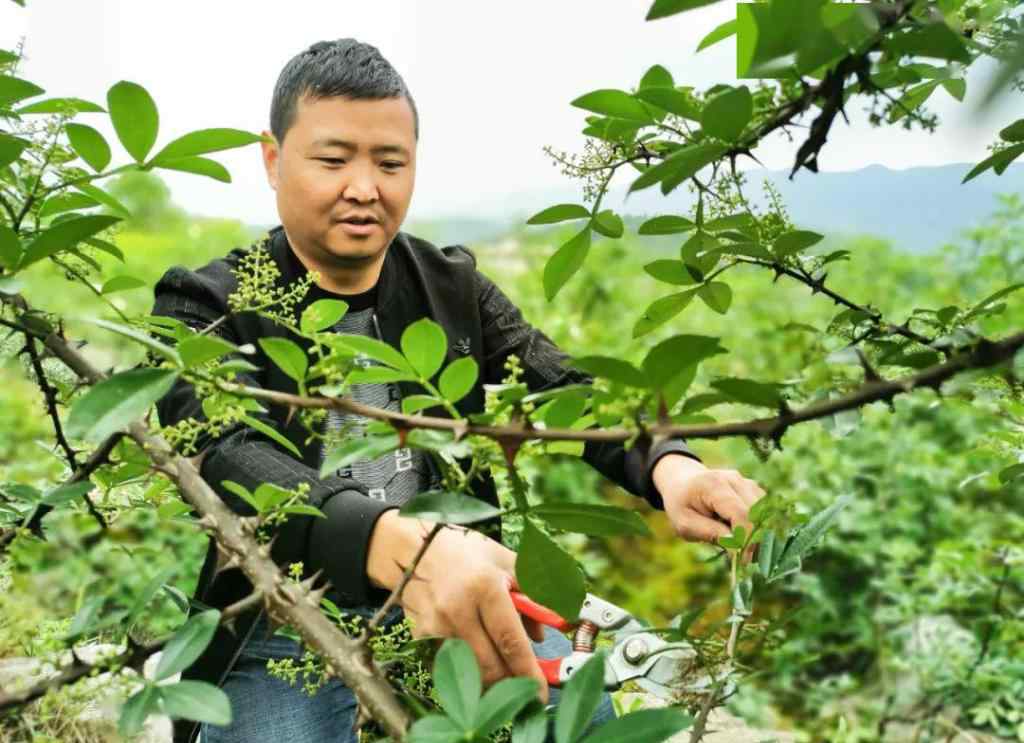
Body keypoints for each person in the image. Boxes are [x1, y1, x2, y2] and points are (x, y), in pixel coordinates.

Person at [153, 38, 765, 743]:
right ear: (272, 158)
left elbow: (561, 385)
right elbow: (228, 449)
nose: (364, 187)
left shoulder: (453, 288)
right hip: (281, 620)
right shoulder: (203, 303)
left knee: (585, 721)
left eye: (390, 162)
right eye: (332, 159)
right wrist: (404, 548)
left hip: (463, 600)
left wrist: (671, 465)